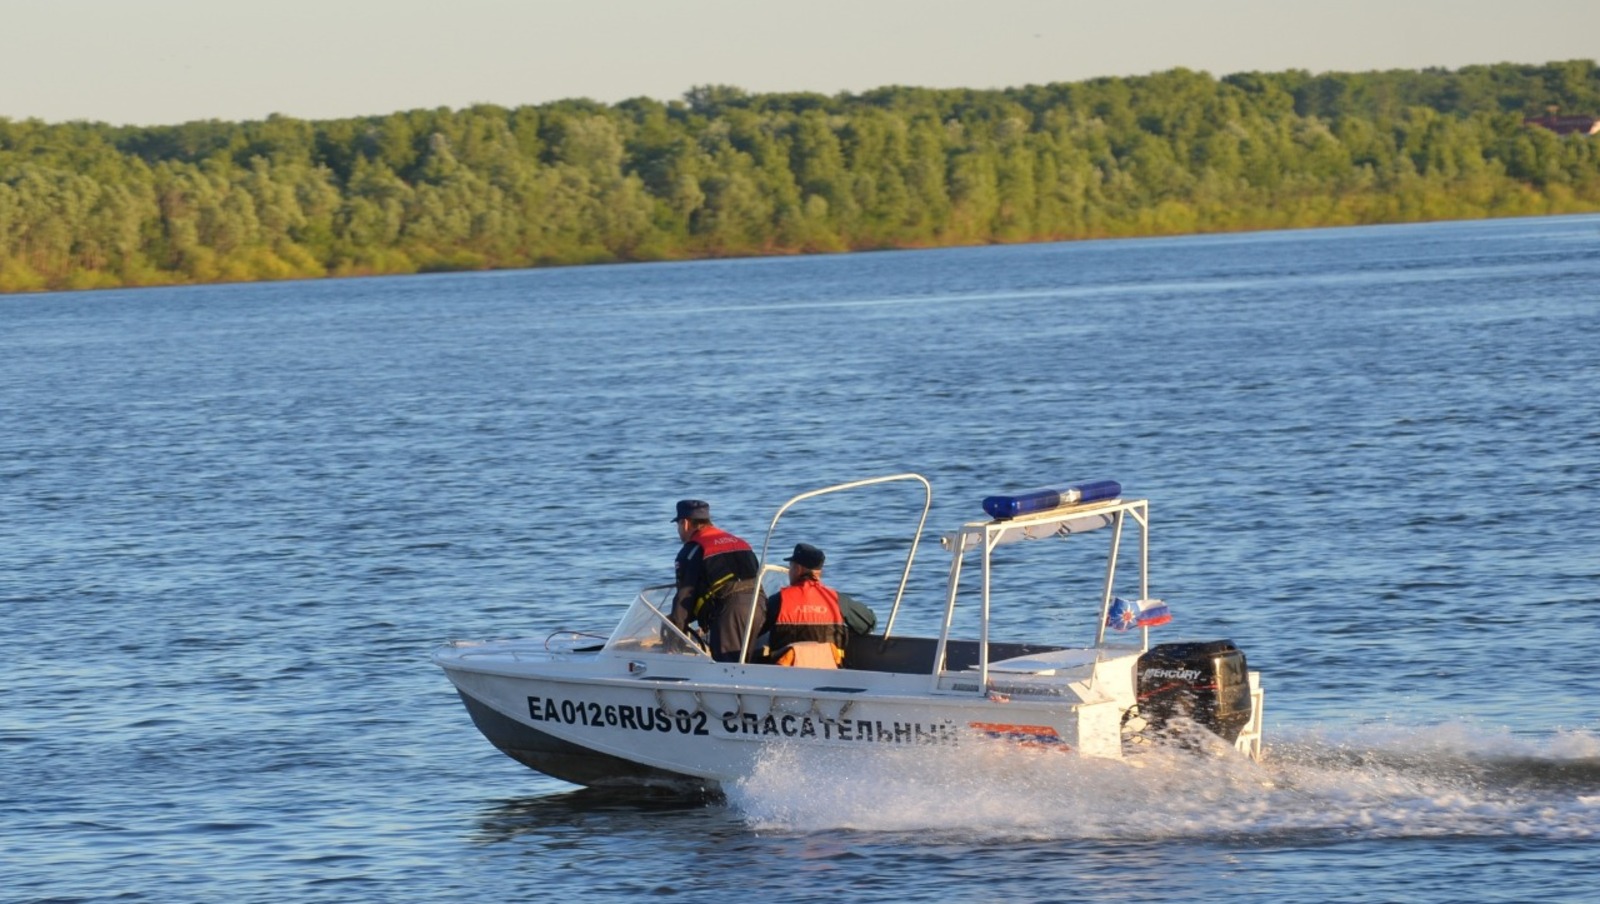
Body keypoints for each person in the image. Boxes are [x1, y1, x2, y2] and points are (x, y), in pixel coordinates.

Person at [668, 499, 766, 663]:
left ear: (685, 523)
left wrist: (675, 636)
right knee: (747, 662)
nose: (678, 530)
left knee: (728, 668)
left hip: (731, 612)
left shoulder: (692, 551)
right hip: (759, 605)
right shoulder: (740, 543)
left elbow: (684, 597)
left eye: (677, 525)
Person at [763, 542, 876, 667]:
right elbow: (869, 624)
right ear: (819, 572)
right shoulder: (836, 599)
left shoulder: (780, 600)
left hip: (786, 673)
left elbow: (753, 629)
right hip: (830, 672)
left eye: (791, 567)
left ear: (798, 569)